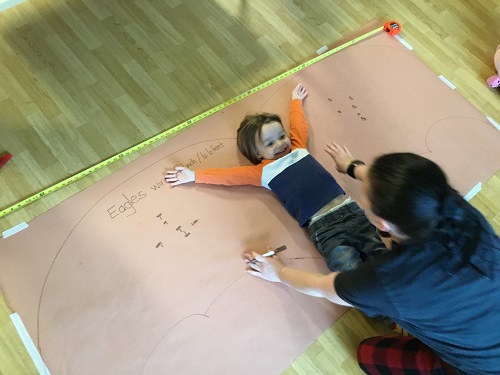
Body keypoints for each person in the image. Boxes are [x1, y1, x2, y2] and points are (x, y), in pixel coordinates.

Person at [245, 144, 500, 375]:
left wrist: (278, 272)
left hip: (480, 368)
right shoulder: (458, 209)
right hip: (484, 326)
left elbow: (323, 287)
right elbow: (408, 187)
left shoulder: (391, 279)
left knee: (369, 354)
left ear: (382, 223)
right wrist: (353, 166)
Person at [165, 84, 387, 272]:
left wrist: (295, 102)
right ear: (257, 154)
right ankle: (384, 316)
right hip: (323, 227)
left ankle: (403, 308)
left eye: (281, 136)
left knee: (383, 260)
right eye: (270, 144)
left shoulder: (298, 148)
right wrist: (194, 176)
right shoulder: (262, 172)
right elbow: (228, 177)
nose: (280, 143)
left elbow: (299, 127)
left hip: (350, 211)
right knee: (349, 272)